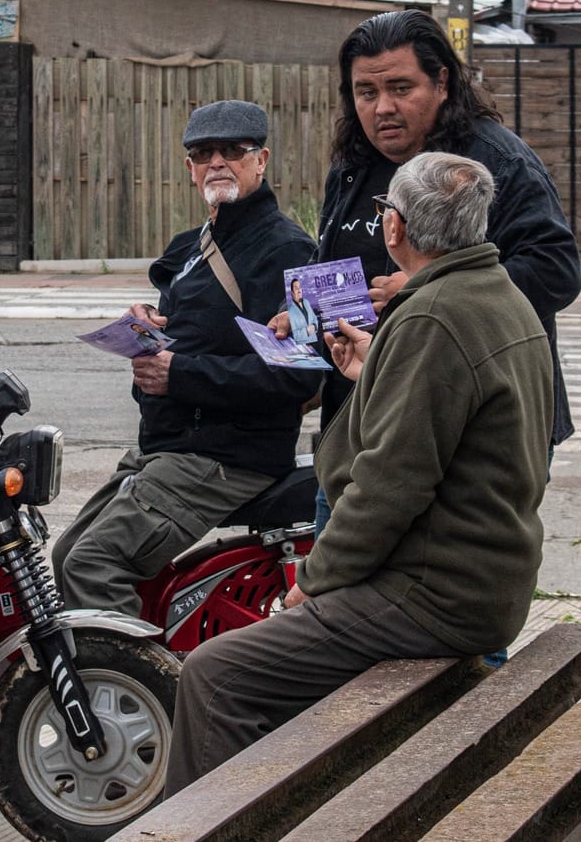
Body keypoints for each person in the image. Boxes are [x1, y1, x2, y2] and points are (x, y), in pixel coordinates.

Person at [165, 152, 554, 794]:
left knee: (215, 675)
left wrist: (312, 584)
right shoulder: (497, 297)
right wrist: (376, 369)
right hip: (485, 581)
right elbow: (454, 423)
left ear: (393, 227)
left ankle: (214, 825)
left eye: (384, 212)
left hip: (433, 592)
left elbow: (387, 488)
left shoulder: (432, 317)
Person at [283, 9, 581, 529]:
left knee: (439, 573)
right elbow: (334, 261)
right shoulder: (353, 165)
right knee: (337, 570)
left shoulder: (496, 163)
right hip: (360, 423)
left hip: (471, 433)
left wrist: (428, 290)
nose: (383, 108)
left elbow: (555, 270)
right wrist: (298, 309)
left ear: (442, 82)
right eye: (366, 92)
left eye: (401, 88)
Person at [50, 100, 319, 616]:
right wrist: (148, 330)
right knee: (66, 556)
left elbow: (298, 376)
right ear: (189, 167)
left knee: (93, 566)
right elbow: (196, 335)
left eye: (232, 150)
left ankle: (139, 670)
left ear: (261, 160)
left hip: (227, 456)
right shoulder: (195, 246)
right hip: (172, 447)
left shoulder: (286, 250)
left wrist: (180, 374)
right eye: (202, 152)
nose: (216, 162)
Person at [284, 276, 317, 343]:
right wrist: (306, 331)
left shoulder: (306, 302)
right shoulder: (290, 310)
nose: (299, 290)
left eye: (300, 287)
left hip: (314, 340)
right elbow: (295, 335)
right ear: (292, 293)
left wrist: (315, 326)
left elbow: (314, 318)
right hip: (303, 345)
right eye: (296, 288)